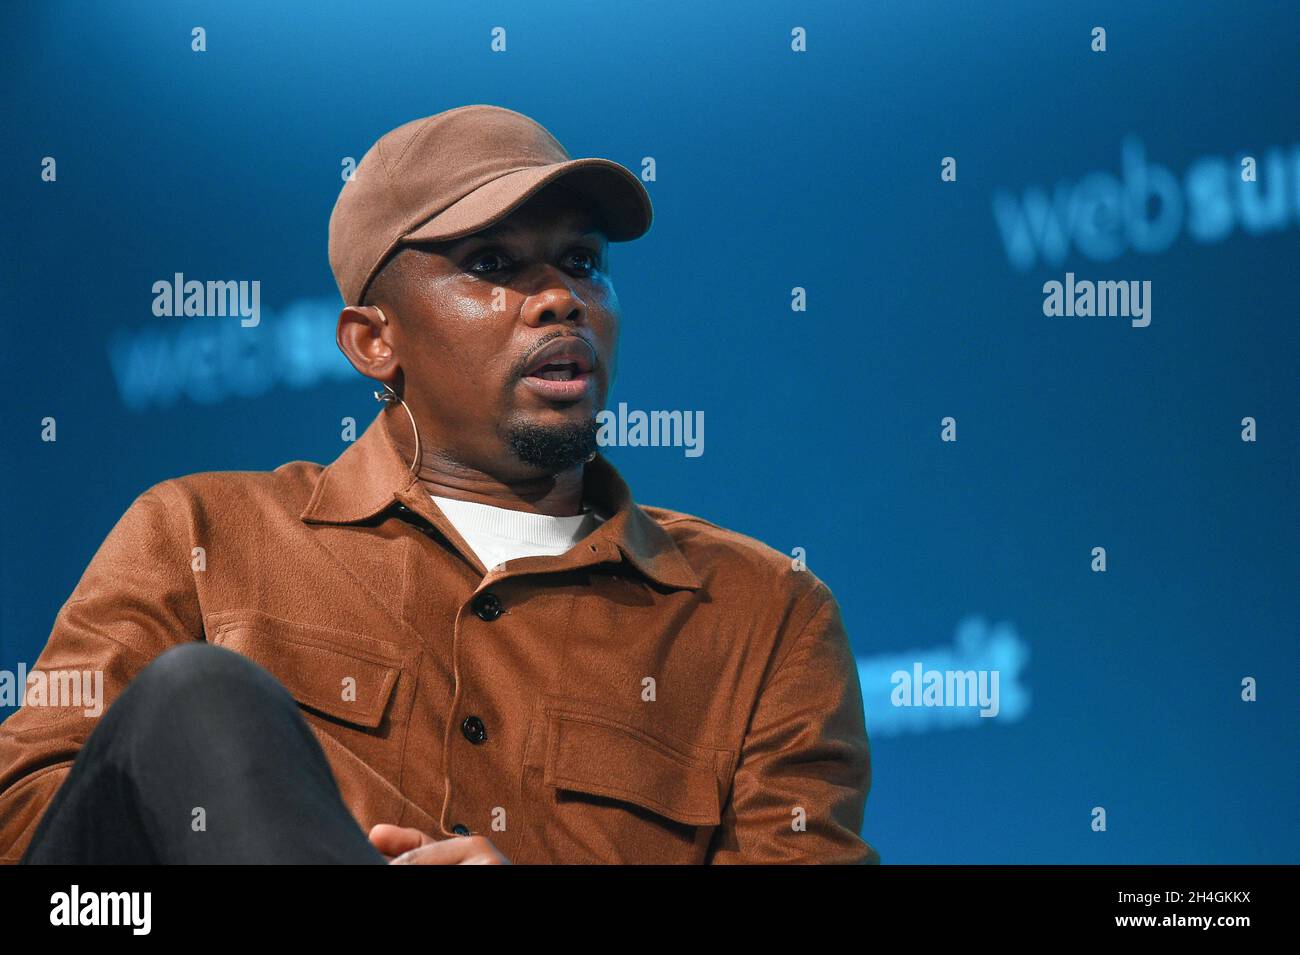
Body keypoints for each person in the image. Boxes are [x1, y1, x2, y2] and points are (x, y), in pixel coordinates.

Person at [0, 104, 880, 864]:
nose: (559, 299)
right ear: (373, 341)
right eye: (493, 265)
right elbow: (37, 828)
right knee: (201, 699)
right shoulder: (196, 536)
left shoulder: (768, 617)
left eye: (581, 262)